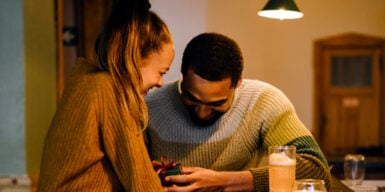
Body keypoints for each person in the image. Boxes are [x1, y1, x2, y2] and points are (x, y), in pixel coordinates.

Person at [145, 32, 331, 192]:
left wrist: (224, 182)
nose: (201, 113)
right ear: (182, 75)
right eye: (191, 99)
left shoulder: (263, 101)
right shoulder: (148, 106)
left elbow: (316, 169)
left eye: (217, 103)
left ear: (238, 82)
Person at [38, 0, 174, 191]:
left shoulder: (87, 81)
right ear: (134, 58)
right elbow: (142, 185)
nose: (160, 83)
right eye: (161, 72)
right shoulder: (110, 90)